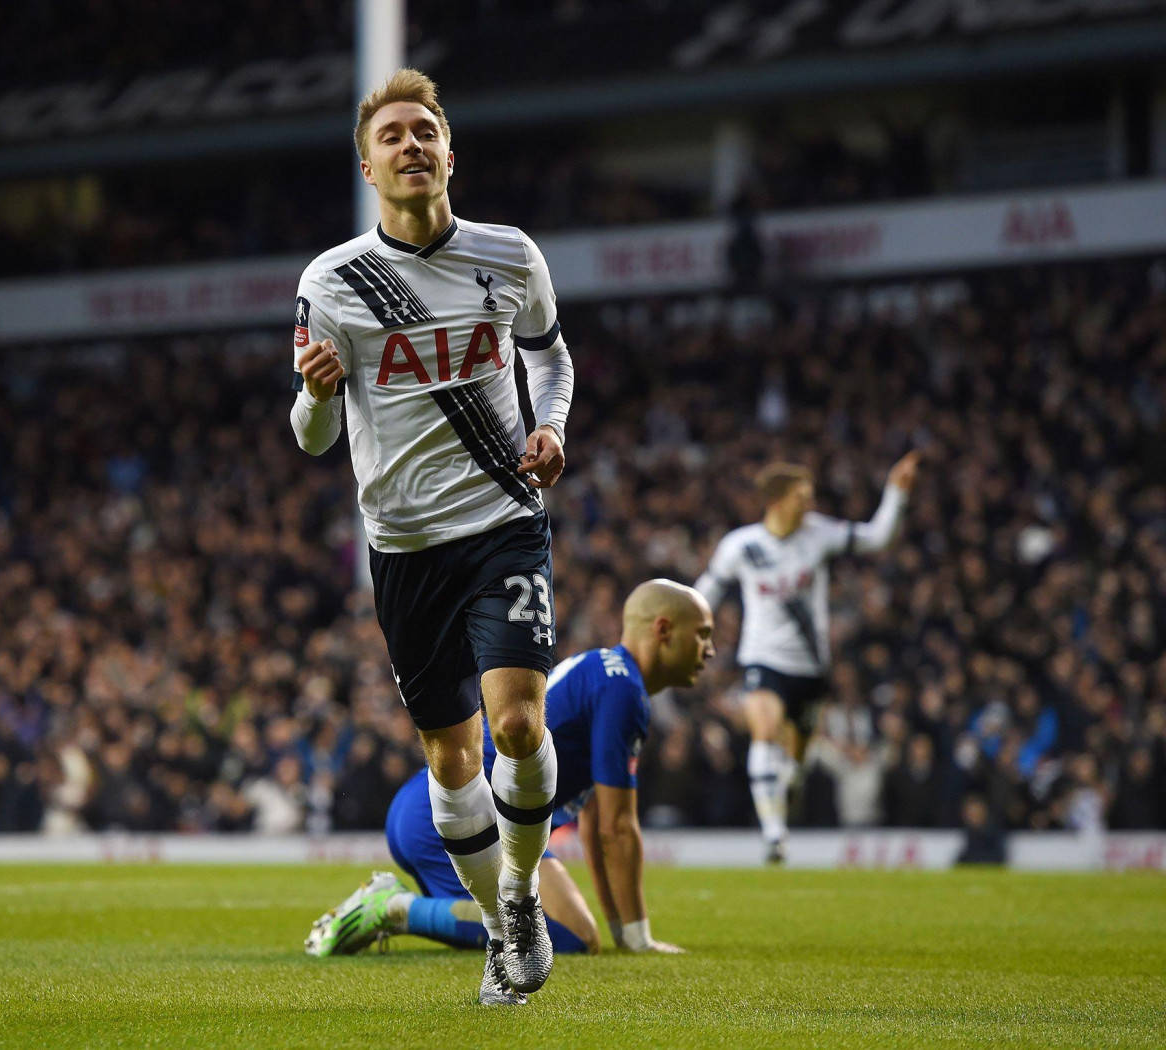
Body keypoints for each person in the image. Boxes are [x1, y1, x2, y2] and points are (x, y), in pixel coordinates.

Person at [289, 69, 575, 1006]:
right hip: (405, 550)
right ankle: (499, 931)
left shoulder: (507, 255)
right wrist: (318, 392)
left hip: (502, 522)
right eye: (393, 137)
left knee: (519, 724)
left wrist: (555, 425)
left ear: (450, 152)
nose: (411, 146)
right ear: (368, 165)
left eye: (425, 132)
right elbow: (313, 439)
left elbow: (550, 352)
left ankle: (522, 899)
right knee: (451, 763)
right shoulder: (333, 282)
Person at [306, 581, 714, 966]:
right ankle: (393, 908)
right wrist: (639, 937)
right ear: (663, 630)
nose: (709, 650)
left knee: (576, 935)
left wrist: (622, 932)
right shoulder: (623, 690)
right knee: (564, 938)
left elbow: (595, 828)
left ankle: (413, 910)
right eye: (702, 634)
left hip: (439, 810)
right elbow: (618, 828)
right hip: (457, 819)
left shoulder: (605, 674)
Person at [695, 453, 919, 863]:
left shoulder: (820, 534)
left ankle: (785, 790)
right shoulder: (742, 546)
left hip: (813, 669)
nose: (809, 503)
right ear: (777, 500)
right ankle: (774, 836)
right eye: (802, 496)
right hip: (762, 660)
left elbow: (878, 537)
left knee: (794, 764)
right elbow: (704, 591)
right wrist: (682, 622)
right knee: (764, 732)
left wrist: (897, 493)